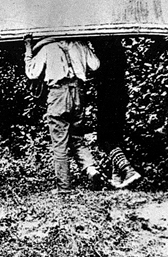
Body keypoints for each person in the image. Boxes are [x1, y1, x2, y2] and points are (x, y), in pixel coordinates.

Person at [23, 34, 102, 191]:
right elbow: (95, 65)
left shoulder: (47, 48)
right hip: (78, 93)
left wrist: (28, 49)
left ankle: (64, 187)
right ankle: (92, 170)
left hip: (58, 94)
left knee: (59, 142)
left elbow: (32, 72)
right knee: (77, 138)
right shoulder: (80, 44)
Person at [93, 38, 141, 189]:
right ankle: (117, 179)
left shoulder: (103, 50)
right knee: (115, 138)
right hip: (120, 95)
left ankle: (128, 170)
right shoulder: (117, 50)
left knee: (104, 139)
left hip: (108, 96)